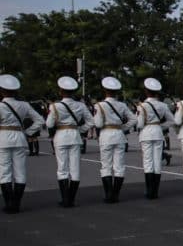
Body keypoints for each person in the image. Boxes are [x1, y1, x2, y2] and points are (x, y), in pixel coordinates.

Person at [45, 76, 93, 207]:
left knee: (62, 168)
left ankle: (65, 198)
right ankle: (71, 199)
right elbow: (91, 121)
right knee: (75, 168)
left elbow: (49, 124)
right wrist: (80, 129)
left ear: (61, 91)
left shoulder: (55, 106)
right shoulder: (81, 105)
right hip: (75, 136)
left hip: (60, 136)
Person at [1, 75, 45, 213]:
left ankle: (9, 204)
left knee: (4, 173)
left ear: (2, 90)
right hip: (20, 138)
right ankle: (16, 203)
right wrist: (28, 132)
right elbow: (40, 120)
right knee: (20, 172)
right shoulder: (24, 105)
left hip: (3, 139)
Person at [93, 77, 136, 203]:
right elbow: (134, 119)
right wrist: (123, 128)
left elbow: (99, 124)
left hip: (106, 135)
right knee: (119, 166)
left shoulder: (99, 105)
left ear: (105, 90)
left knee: (106, 166)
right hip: (119, 135)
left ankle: (108, 194)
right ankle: (116, 194)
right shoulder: (122, 105)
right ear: (116, 91)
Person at [135, 78, 173, 199]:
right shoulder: (163, 105)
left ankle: (149, 190)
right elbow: (172, 120)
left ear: (146, 91)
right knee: (157, 162)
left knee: (148, 162)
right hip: (158, 133)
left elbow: (140, 124)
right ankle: (155, 191)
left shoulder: (142, 106)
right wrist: (160, 126)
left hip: (146, 133)